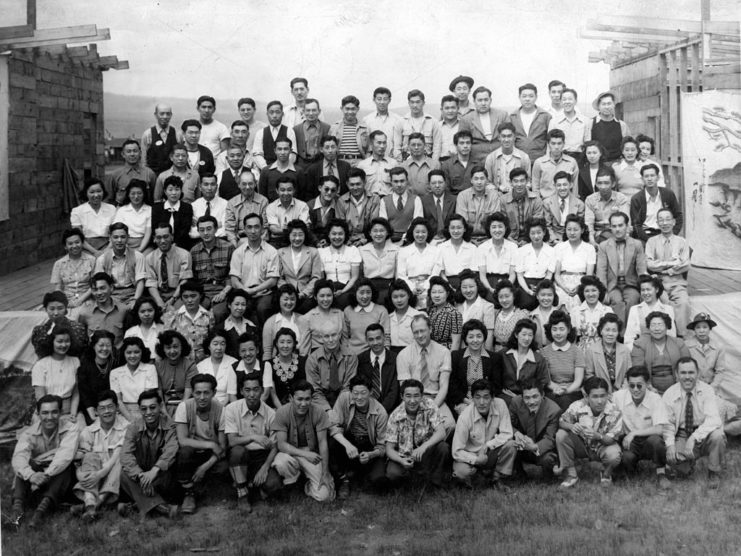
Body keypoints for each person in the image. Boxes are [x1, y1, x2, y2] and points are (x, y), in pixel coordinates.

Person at [10, 395, 79, 528]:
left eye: (54, 412)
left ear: (60, 413)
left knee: (66, 466)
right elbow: (19, 457)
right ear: (38, 414)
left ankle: (41, 512)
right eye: (45, 413)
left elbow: (64, 456)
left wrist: (46, 474)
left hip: (57, 480)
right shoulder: (29, 433)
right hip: (35, 480)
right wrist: (31, 475)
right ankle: (17, 510)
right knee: (25, 464)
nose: (50, 417)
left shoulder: (71, 428)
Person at [663, 357, 725, 487]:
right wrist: (670, 445)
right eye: (683, 373)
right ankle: (687, 464)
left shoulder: (707, 390)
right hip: (681, 434)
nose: (687, 377)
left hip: (703, 433)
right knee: (677, 468)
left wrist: (694, 438)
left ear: (697, 373)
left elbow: (713, 419)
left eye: (691, 372)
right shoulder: (669, 393)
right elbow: (667, 424)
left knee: (718, 436)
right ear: (676, 374)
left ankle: (713, 472)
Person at [225, 372, 282, 513]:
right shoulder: (232, 409)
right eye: (247, 390)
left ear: (262, 390)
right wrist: (253, 437)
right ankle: (242, 494)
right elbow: (232, 441)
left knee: (274, 485)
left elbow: (276, 445)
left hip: (261, 456)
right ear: (241, 391)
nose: (252, 394)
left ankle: (249, 485)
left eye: (256, 389)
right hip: (240, 455)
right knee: (238, 451)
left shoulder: (271, 413)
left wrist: (265, 467)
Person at [119, 389, 181, 520]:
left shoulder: (170, 426)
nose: (148, 413)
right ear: (140, 410)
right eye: (144, 409)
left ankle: (139, 504)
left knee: (172, 466)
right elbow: (125, 454)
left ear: (160, 407)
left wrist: (154, 471)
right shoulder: (133, 427)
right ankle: (161, 508)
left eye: (152, 407)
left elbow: (171, 450)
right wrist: (141, 476)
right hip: (141, 476)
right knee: (124, 474)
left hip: (160, 476)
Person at [272, 380, 335, 502]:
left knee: (326, 497)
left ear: (312, 398)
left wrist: (325, 472)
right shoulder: (282, 412)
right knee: (281, 462)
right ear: (291, 398)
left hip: (312, 453)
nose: (304, 403)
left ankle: (305, 484)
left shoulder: (319, 412)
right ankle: (292, 483)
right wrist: (306, 454)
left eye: (307, 399)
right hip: (290, 453)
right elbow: (281, 444)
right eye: (299, 399)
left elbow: (323, 443)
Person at [555, 376, 623, 488]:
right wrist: (571, 426)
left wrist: (598, 436)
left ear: (608, 395)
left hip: (603, 445)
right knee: (561, 435)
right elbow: (561, 422)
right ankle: (572, 475)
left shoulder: (615, 411)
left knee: (614, 455)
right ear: (586, 396)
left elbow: (612, 439)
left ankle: (606, 474)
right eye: (595, 396)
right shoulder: (578, 405)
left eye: (603, 396)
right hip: (581, 445)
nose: (600, 401)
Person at [174, 373, 226, 514]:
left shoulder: (221, 409)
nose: (202, 397)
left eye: (206, 393)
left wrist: (205, 467)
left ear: (214, 393)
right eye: (197, 393)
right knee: (184, 452)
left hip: (210, 456)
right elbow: (183, 440)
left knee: (222, 467)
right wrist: (210, 444)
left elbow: (222, 447)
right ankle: (189, 493)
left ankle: (202, 489)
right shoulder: (184, 407)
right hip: (192, 452)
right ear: (192, 392)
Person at [72, 390, 129, 522]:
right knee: (90, 456)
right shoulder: (89, 431)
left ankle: (94, 506)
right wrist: (79, 474)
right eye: (102, 408)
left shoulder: (126, 428)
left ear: (117, 408)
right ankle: (90, 503)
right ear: (96, 411)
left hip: (115, 480)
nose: (106, 411)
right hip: (94, 480)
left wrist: (101, 474)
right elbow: (79, 462)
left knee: (122, 459)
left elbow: (116, 456)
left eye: (110, 407)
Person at [329, 375, 389, 497]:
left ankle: (360, 474)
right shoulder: (344, 398)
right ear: (350, 392)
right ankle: (344, 479)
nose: (359, 397)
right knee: (330, 443)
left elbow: (382, 446)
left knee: (378, 480)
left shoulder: (381, 412)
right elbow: (333, 426)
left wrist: (371, 454)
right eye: (355, 393)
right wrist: (348, 445)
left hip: (369, 444)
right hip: (348, 438)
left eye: (363, 393)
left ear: (371, 392)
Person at [384, 379, 450, 488]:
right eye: (408, 396)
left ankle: (434, 482)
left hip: (425, 453)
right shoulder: (395, 416)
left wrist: (423, 447)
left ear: (422, 396)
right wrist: (401, 460)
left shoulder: (430, 405)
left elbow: (441, 432)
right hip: (404, 455)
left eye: (416, 396)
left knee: (443, 447)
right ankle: (412, 480)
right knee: (392, 474)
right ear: (402, 397)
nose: (412, 400)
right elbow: (389, 449)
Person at [613, 366, 671, 488]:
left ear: (647, 384)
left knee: (657, 441)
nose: (635, 389)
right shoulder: (618, 397)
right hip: (629, 441)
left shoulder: (655, 399)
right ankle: (631, 470)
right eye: (631, 385)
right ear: (627, 384)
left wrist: (634, 433)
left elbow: (660, 429)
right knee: (626, 458)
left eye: (639, 385)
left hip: (648, 440)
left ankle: (661, 473)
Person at [395, 314, 456, 433]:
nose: (419, 335)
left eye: (422, 331)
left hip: (436, 399)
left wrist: (431, 408)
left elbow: (444, 386)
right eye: (416, 332)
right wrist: (416, 406)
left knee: (450, 425)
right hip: (412, 400)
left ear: (430, 329)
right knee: (406, 428)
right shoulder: (403, 355)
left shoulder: (443, 352)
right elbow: (405, 389)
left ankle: (434, 449)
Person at [452, 378, 515, 489]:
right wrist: (476, 459)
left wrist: (488, 445)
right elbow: (456, 451)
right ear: (472, 399)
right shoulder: (464, 417)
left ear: (492, 398)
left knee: (511, 445)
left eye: (486, 397)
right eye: (477, 397)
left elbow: (507, 433)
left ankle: (497, 478)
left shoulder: (500, 404)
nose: (482, 402)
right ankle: (479, 476)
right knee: (461, 473)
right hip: (470, 456)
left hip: (489, 452)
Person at [645, 207, 691, 333]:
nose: (664, 223)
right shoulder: (651, 242)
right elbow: (649, 265)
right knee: (663, 304)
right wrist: (671, 263)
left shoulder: (682, 242)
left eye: (668, 219)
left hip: (677, 282)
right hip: (658, 282)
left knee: (684, 303)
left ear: (674, 222)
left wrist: (662, 266)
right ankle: (666, 336)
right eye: (661, 220)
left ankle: (683, 337)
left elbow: (685, 265)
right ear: (657, 223)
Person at [596, 211, 647, 325]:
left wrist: (643, 290)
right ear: (610, 228)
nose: (617, 229)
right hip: (612, 286)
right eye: (614, 226)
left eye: (620, 225)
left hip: (631, 285)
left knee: (633, 301)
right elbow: (601, 272)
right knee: (617, 301)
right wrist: (603, 292)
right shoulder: (604, 246)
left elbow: (641, 270)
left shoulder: (637, 244)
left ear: (627, 226)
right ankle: (619, 335)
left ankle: (629, 334)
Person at [229, 212, 280, 325]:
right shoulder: (238, 252)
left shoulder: (271, 251)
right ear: (244, 230)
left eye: (256, 227)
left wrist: (254, 290)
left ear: (262, 229)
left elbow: (273, 280)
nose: (253, 231)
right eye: (249, 227)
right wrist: (245, 291)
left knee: (263, 308)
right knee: (240, 308)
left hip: (265, 293)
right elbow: (234, 280)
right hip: (243, 291)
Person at [509, 379, 561, 479]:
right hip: (521, 445)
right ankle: (519, 474)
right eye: (527, 398)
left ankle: (549, 478)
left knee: (548, 460)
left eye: (535, 396)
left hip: (540, 449)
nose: (531, 402)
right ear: (522, 397)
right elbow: (507, 425)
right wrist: (516, 433)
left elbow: (550, 439)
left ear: (542, 395)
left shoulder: (554, 410)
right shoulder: (515, 402)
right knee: (509, 445)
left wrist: (533, 446)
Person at [448, 319, 499, 415]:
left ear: (484, 337)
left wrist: (482, 401)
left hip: (486, 401)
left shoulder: (494, 358)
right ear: (465, 339)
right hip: (463, 401)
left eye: (479, 336)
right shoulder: (456, 356)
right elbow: (452, 385)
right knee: (468, 413)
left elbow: (497, 385)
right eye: (471, 337)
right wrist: (468, 402)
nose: (475, 340)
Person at [631, 311, 690, 394]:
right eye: (653, 325)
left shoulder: (679, 343)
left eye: (660, 325)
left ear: (667, 326)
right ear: (648, 327)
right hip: (649, 390)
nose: (657, 328)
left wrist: (678, 387)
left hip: (678, 388)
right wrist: (649, 388)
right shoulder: (640, 344)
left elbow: (687, 366)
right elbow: (637, 370)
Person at [31, 325, 81, 423]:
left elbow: (76, 393)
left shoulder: (75, 362)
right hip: (47, 412)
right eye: (60, 341)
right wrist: (54, 415)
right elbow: (40, 397)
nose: (64, 345)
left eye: (67, 341)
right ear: (51, 342)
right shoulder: (41, 365)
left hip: (69, 411)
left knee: (80, 430)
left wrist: (73, 414)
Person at [190, 215, 235, 323]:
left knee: (218, 313)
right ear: (198, 232)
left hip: (223, 290)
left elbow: (232, 274)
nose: (205, 233)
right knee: (196, 313)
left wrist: (223, 293)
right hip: (202, 293)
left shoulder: (228, 247)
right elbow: (193, 279)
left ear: (215, 229)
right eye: (202, 230)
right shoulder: (194, 251)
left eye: (209, 229)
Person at [494, 319, 549, 404]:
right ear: (516, 334)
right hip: (505, 396)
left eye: (530, 335)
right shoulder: (503, 354)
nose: (527, 338)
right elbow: (496, 380)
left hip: (529, 398)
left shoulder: (538, 359)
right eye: (524, 334)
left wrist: (521, 397)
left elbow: (543, 382)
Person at [305, 327, 358, 411]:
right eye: (326, 336)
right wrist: (327, 410)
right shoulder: (312, 359)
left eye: (333, 335)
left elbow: (348, 386)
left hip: (344, 399)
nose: (330, 340)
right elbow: (314, 390)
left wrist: (337, 411)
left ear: (339, 335)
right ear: (321, 338)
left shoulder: (351, 356)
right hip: (320, 400)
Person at [541, 310, 585, 411]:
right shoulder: (544, 352)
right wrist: (557, 389)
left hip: (573, 392)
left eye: (562, 329)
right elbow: (546, 379)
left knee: (565, 400)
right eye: (554, 329)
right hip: (552, 391)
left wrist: (567, 390)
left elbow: (578, 380)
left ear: (568, 330)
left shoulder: (576, 351)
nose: (558, 333)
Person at [96, 222, 147, 308]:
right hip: (111, 295)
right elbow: (99, 284)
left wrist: (135, 300)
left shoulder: (138, 256)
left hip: (132, 294)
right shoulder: (102, 259)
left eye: (123, 237)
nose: (119, 240)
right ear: (110, 238)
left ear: (128, 237)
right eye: (115, 237)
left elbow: (140, 282)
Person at [276, 219, 322, 313]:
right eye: (294, 235)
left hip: (306, 294)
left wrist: (304, 293)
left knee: (306, 307)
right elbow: (279, 277)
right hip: (286, 293)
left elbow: (316, 277)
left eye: (300, 235)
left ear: (305, 235)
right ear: (288, 236)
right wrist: (289, 293)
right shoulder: (280, 252)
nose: (297, 238)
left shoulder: (313, 252)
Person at [630, 163, 683, 243]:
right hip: (646, 236)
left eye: (652, 175)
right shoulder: (637, 199)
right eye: (646, 176)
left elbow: (678, 216)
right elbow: (636, 225)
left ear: (658, 177)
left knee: (687, 249)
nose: (649, 179)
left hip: (666, 233)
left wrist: (673, 234)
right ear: (642, 179)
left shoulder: (668, 194)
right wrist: (650, 241)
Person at [162, 280, 215, 359]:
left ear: (200, 296)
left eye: (193, 296)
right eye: (185, 297)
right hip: (181, 361)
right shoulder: (172, 317)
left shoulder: (209, 316)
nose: (189, 300)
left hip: (203, 361)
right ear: (181, 298)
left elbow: (212, 340)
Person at [397, 217, 442, 309]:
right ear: (412, 233)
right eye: (417, 232)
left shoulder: (436, 251)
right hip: (410, 290)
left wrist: (425, 286)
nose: (420, 235)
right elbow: (400, 275)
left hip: (430, 289)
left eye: (423, 232)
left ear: (428, 233)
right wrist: (412, 287)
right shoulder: (403, 251)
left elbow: (435, 273)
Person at [110, 336, 158, 422]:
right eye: (129, 352)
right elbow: (118, 400)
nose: (132, 356)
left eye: (136, 352)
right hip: (123, 412)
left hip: (146, 410)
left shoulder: (150, 369)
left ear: (142, 352)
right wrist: (131, 419)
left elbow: (148, 397)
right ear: (123, 353)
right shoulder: (115, 373)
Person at [552, 215, 594, 312]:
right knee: (561, 298)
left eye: (575, 230)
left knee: (577, 300)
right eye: (569, 229)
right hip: (562, 283)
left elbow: (589, 275)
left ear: (582, 230)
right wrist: (564, 288)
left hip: (581, 282)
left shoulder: (589, 248)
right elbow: (557, 275)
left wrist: (579, 287)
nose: (572, 233)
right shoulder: (559, 247)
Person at [458, 86, 510, 163]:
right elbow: (462, 142)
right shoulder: (466, 119)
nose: (483, 103)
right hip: (476, 160)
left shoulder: (502, 115)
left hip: (501, 157)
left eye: (486, 100)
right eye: (480, 100)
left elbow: (510, 137)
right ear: (474, 101)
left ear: (490, 100)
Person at [624, 274, 677, 350]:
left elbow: (672, 336)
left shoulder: (667, 309)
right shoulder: (634, 309)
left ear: (656, 290)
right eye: (643, 290)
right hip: (640, 351)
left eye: (648, 289)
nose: (645, 293)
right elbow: (628, 338)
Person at [318, 218, 362, 309]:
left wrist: (343, 291)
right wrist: (329, 292)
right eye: (334, 234)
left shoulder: (353, 250)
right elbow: (321, 278)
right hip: (328, 289)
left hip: (348, 288)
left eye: (340, 234)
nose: (337, 237)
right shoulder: (321, 252)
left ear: (345, 235)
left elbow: (354, 277)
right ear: (328, 235)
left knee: (345, 300)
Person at [357, 323, 399, 415]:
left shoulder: (395, 359)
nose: (375, 343)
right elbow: (362, 388)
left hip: (391, 410)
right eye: (371, 339)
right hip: (366, 409)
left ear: (384, 337)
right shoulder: (360, 359)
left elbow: (394, 391)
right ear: (366, 340)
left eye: (378, 338)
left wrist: (380, 411)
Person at [77, 330, 118, 425]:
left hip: (111, 409)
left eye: (108, 345)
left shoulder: (115, 364)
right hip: (91, 410)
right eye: (101, 345)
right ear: (94, 346)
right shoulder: (85, 367)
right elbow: (85, 395)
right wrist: (93, 415)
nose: (105, 348)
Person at [51, 228, 96, 312]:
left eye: (77, 242)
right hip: (66, 301)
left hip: (87, 299)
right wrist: (64, 302)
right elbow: (58, 288)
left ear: (82, 243)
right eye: (70, 244)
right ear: (65, 246)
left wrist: (80, 300)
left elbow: (94, 286)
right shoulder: (59, 264)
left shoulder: (91, 260)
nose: (74, 246)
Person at [455, 166, 503, 244]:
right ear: (471, 180)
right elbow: (462, 223)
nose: (479, 182)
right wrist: (469, 241)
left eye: (482, 178)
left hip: (489, 238)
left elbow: (495, 222)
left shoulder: (494, 196)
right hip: (468, 239)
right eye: (476, 179)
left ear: (487, 180)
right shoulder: (463, 196)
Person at [32, 291, 88, 358]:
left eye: (60, 308)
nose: (56, 313)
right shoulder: (39, 331)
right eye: (52, 309)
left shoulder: (78, 328)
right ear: (45, 309)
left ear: (66, 309)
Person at [78, 272, 127, 347]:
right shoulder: (84, 313)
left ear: (111, 287)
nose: (99, 293)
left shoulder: (123, 310)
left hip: (118, 356)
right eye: (95, 289)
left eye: (102, 288)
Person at [515, 217, 555, 310]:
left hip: (544, 284)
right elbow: (520, 276)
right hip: (526, 285)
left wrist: (541, 288)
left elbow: (549, 274)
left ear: (544, 232)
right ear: (528, 234)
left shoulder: (551, 251)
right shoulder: (521, 251)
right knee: (526, 303)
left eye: (539, 232)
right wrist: (528, 291)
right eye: (532, 233)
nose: (536, 236)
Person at [584, 313, 631, 392]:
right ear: (601, 331)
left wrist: (622, 392)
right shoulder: (591, 350)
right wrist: (602, 392)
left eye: (614, 330)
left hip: (622, 392)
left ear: (618, 333)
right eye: (607, 330)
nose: (610, 334)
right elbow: (589, 375)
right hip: (600, 393)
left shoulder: (625, 350)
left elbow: (629, 375)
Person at [155, 329, 197, 414]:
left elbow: (187, 395)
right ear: (163, 349)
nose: (172, 351)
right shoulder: (158, 365)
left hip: (186, 406)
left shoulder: (190, 365)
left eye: (175, 346)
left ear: (182, 346)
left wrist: (180, 414)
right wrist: (164, 412)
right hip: (164, 407)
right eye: (168, 347)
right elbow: (159, 392)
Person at [344, 278, 391, 355]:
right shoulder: (348, 310)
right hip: (352, 355)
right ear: (355, 293)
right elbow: (345, 336)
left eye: (368, 292)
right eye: (361, 293)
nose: (365, 296)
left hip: (373, 355)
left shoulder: (381, 310)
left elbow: (386, 337)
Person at [358, 217, 398, 307]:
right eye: (375, 231)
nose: (378, 234)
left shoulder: (396, 250)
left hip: (388, 286)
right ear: (370, 233)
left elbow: (398, 275)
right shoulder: (362, 250)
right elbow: (360, 275)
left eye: (382, 231)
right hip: (368, 287)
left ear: (387, 232)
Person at [584, 167, 630, 244]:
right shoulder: (590, 200)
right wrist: (592, 241)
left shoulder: (621, 199)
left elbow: (626, 224)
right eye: (600, 183)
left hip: (617, 234)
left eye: (606, 183)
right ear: (596, 184)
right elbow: (589, 224)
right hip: (597, 236)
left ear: (613, 184)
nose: (603, 187)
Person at [71, 177, 116, 256]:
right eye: (92, 192)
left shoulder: (111, 209)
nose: (96, 195)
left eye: (99, 191)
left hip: (108, 246)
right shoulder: (77, 211)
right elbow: (78, 237)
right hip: (85, 247)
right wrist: (95, 252)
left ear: (103, 192)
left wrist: (107, 250)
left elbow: (116, 233)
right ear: (86, 193)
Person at [477, 212, 518, 298]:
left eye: (500, 226)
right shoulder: (482, 248)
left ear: (506, 228)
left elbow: (512, 274)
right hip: (488, 284)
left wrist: (505, 288)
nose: (497, 230)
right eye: (494, 227)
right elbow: (482, 276)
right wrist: (490, 289)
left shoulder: (513, 247)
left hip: (508, 283)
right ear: (489, 229)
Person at [336, 168, 381, 246]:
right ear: (347, 184)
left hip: (369, 240)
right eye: (352, 185)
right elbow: (340, 225)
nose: (355, 187)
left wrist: (363, 240)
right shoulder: (341, 201)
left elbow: (374, 224)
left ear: (364, 182)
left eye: (358, 184)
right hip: (347, 241)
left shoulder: (374, 199)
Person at [263, 328, 307, 407]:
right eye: (282, 342)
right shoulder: (269, 364)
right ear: (276, 343)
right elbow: (273, 394)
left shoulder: (303, 362)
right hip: (277, 409)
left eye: (289, 342)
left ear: (294, 344)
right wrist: (283, 412)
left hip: (301, 407)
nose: (285, 346)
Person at [378, 167, 424, 242]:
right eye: (396, 181)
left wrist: (404, 239)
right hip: (389, 240)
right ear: (391, 182)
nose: (399, 185)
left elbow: (417, 224)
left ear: (407, 181)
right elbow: (383, 225)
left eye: (402, 181)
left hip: (410, 239)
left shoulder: (416, 199)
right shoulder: (384, 201)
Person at [262, 285, 309, 359]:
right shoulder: (270, 323)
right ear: (279, 299)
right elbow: (267, 352)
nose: (289, 302)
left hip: (300, 363)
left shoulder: (303, 320)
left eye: (292, 299)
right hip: (277, 365)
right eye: (286, 299)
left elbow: (306, 349)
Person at [225, 170, 269, 247]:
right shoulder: (232, 203)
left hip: (260, 242)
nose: (247, 187)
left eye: (250, 184)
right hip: (239, 242)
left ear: (255, 184)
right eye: (244, 184)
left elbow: (265, 228)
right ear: (238, 184)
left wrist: (259, 246)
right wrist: (236, 248)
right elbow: (230, 230)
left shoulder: (263, 201)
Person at [106, 140, 157, 207]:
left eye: (135, 151)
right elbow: (108, 199)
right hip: (122, 213)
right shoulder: (115, 175)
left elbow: (155, 198)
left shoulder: (149, 174)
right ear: (123, 154)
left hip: (145, 213)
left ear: (140, 153)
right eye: (128, 151)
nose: (132, 154)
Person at [584, 91, 631, 163]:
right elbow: (587, 146)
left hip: (617, 163)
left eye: (609, 104)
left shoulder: (622, 125)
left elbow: (628, 146)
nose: (607, 107)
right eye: (603, 104)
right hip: (597, 164)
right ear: (598, 106)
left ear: (614, 105)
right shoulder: (590, 124)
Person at [485, 122, 531, 195]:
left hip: (519, 196)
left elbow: (528, 182)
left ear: (514, 137)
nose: (506, 140)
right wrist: (498, 189)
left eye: (509, 136)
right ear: (499, 138)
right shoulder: (491, 158)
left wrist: (518, 190)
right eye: (503, 136)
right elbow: (487, 183)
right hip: (498, 196)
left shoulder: (524, 157)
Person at [570, 275, 614, 351]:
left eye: (594, 290)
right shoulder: (575, 311)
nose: (590, 294)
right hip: (582, 352)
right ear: (582, 293)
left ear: (599, 291)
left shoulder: (607, 311)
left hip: (603, 351)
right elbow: (572, 338)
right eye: (587, 291)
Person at [264, 175, 310, 248]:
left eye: (289, 190)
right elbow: (274, 229)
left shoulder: (302, 206)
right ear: (277, 191)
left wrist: (283, 229)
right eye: (282, 190)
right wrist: (293, 230)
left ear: (294, 190)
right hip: (277, 241)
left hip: (297, 239)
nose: (286, 193)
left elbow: (303, 228)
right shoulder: (271, 207)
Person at [509, 83, 552, 162]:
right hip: (518, 160)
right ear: (519, 97)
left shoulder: (545, 116)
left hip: (540, 160)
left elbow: (550, 140)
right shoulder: (512, 117)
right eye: (524, 96)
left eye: (531, 96)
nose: (527, 99)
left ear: (536, 97)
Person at [531, 129, 579, 199]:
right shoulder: (539, 163)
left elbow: (575, 186)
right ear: (548, 144)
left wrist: (573, 204)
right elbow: (535, 187)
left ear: (563, 144)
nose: (556, 147)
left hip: (566, 203)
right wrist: (538, 203)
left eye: (559, 143)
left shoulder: (571, 162)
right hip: (545, 202)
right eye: (553, 143)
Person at [251, 100, 298, 171]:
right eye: (271, 112)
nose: (274, 116)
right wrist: (266, 169)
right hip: (266, 171)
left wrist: (283, 168)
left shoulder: (289, 131)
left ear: (282, 114)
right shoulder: (260, 133)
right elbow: (257, 155)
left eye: (277, 112)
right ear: (267, 114)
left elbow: (293, 154)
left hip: (285, 171)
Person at [396, 89, 442, 162]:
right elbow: (397, 146)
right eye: (412, 102)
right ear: (409, 103)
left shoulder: (433, 121)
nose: (415, 105)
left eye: (418, 102)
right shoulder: (401, 122)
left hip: (427, 161)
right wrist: (400, 164)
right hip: (407, 161)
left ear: (423, 103)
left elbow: (437, 147)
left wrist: (433, 164)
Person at [151, 175, 194, 250]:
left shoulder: (187, 207)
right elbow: (155, 228)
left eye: (177, 189)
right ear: (165, 191)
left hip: (181, 245)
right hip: (160, 244)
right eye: (170, 190)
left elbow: (184, 230)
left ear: (181, 190)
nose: (174, 193)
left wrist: (175, 245)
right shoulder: (157, 208)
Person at [302, 279, 346, 353]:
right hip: (317, 357)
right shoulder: (308, 317)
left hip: (338, 356)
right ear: (315, 297)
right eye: (322, 296)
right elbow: (305, 347)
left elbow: (345, 340)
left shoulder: (340, 314)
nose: (325, 299)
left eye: (329, 295)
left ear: (333, 295)